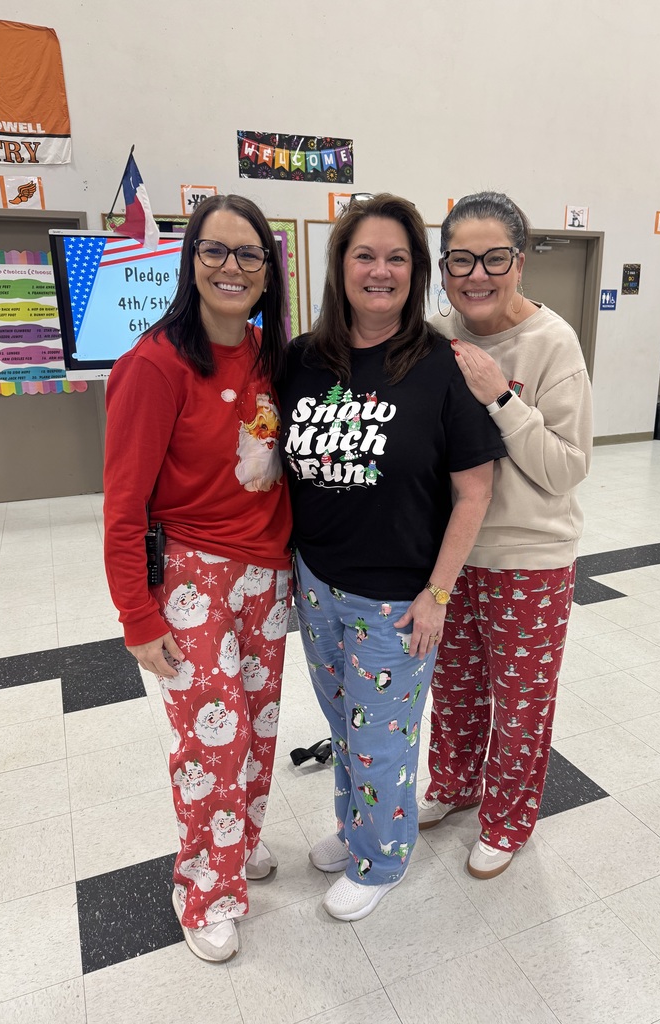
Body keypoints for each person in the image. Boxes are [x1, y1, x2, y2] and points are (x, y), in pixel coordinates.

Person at [277, 194, 506, 921]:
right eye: (365, 255)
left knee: (382, 742)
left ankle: (383, 859)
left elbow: (475, 491)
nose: (381, 271)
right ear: (340, 266)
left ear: (417, 273)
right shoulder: (301, 360)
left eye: (398, 258)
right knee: (346, 727)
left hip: (399, 600)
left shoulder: (443, 366)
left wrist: (437, 595)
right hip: (318, 583)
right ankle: (356, 830)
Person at [103, 194, 292, 963]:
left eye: (248, 254)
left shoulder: (272, 358)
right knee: (213, 743)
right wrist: (138, 618)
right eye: (214, 251)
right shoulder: (153, 364)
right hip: (190, 576)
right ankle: (205, 889)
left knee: (261, 727)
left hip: (268, 574)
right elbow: (120, 505)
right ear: (190, 262)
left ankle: (239, 840)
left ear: (267, 271)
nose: (231, 267)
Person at [419, 191, 593, 879]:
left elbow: (567, 469)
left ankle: (509, 819)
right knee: (454, 690)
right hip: (452, 558)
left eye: (493, 258)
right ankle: (455, 785)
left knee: (520, 703)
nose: (476, 275)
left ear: (519, 262)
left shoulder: (552, 342)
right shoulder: (434, 336)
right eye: (461, 260)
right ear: (444, 266)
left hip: (529, 558)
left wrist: (500, 396)